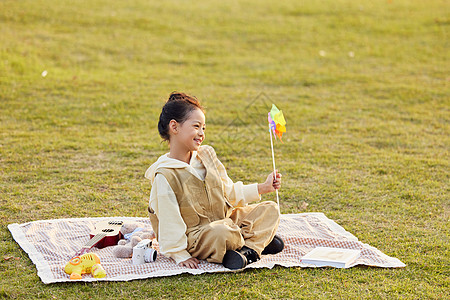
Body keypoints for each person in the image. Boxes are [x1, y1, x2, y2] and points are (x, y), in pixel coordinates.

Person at [145, 92, 284, 270]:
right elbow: (168, 221)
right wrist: (179, 254)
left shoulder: (207, 155)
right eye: (196, 126)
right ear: (174, 126)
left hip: (226, 219)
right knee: (223, 232)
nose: (201, 133)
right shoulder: (165, 175)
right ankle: (255, 241)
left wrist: (262, 187)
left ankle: (249, 250)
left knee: (270, 209)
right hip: (200, 236)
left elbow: (229, 192)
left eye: (204, 128)